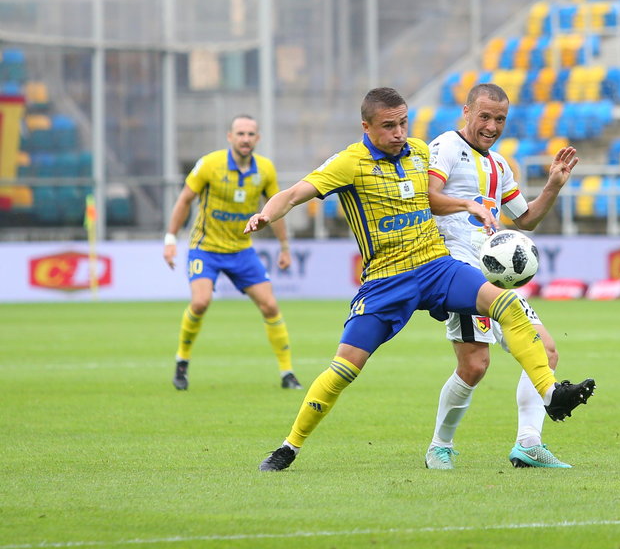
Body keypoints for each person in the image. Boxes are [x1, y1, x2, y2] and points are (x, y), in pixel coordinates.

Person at [245, 87, 595, 472]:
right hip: (386, 279)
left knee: (507, 303)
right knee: (345, 367)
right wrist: (266, 214)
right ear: (367, 126)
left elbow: (472, 201)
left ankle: (551, 395)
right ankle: (288, 448)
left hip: (436, 266)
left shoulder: (419, 151)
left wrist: (485, 201)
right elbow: (295, 194)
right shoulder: (350, 162)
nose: (399, 133)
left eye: (403, 123)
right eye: (388, 126)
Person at [424, 83, 580, 470]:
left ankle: (528, 444)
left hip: (495, 278)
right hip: (460, 271)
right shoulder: (445, 146)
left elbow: (525, 219)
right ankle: (439, 446)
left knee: (546, 351)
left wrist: (553, 186)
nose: (492, 126)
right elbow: (428, 196)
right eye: (485, 116)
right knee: (475, 366)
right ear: (466, 112)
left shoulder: (500, 165)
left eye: (500, 119)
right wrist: (466, 205)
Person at [163, 114, 302, 391]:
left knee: (270, 306)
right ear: (230, 137)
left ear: (258, 139)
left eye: (251, 134)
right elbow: (184, 200)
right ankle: (182, 361)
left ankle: (287, 373)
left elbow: (278, 207)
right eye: (240, 134)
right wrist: (170, 239)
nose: (246, 139)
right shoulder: (210, 165)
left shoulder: (265, 170)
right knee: (201, 303)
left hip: (241, 251)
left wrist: (285, 247)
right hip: (206, 249)